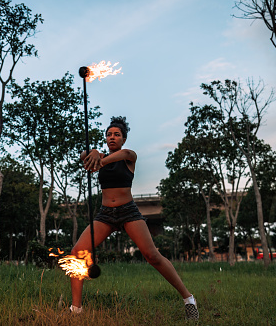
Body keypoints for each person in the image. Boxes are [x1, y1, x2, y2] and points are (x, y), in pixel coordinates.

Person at [69, 116, 199, 320]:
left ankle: (189, 299)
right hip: (105, 214)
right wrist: (91, 152)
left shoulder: (129, 157)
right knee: (77, 252)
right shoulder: (98, 157)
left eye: (117, 135)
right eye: (109, 134)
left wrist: (99, 159)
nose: (112, 137)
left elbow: (125, 154)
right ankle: (76, 310)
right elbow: (83, 156)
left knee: (152, 255)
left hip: (128, 211)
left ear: (123, 139)